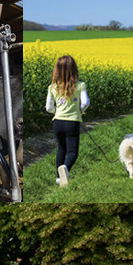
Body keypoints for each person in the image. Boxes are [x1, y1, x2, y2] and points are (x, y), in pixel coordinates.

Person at [45, 55, 89, 186]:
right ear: (74, 69)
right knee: (72, 152)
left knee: (61, 149)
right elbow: (86, 102)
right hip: (72, 122)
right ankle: (65, 169)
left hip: (57, 122)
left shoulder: (52, 87)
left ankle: (59, 178)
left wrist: (56, 112)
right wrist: (80, 111)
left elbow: (48, 107)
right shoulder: (80, 85)